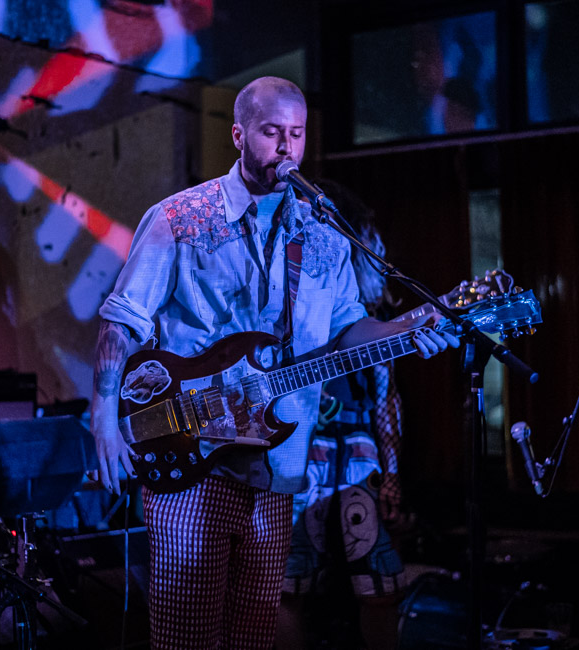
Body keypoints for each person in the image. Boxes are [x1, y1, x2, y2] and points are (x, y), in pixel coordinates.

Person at [90, 76, 458, 650]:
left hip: (278, 466)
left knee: (254, 636)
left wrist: (408, 329)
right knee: (187, 638)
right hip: (190, 460)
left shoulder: (326, 232)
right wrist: (104, 417)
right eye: (271, 133)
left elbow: (346, 331)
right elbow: (121, 322)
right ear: (238, 135)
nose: (287, 148)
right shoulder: (179, 218)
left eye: (297, 134)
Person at [277, 180, 409, 650]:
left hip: (356, 456)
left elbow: (386, 395)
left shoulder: (364, 312)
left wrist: (390, 473)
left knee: (378, 584)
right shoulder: (294, 291)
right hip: (299, 451)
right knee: (287, 585)